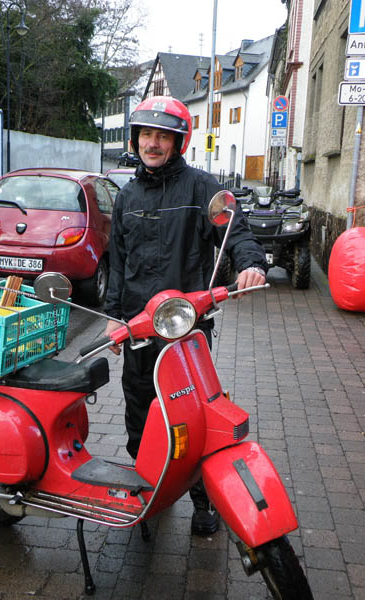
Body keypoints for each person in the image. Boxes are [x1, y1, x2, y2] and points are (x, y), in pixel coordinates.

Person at [104, 95, 267, 536]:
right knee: (140, 409)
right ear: (135, 139)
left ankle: (201, 499)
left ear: (178, 142)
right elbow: (117, 261)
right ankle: (146, 485)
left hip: (186, 327)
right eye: (146, 135)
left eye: (162, 136)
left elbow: (234, 231)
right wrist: (114, 315)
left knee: (194, 416)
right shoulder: (127, 196)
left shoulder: (200, 188)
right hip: (139, 327)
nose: (152, 144)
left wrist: (251, 263)